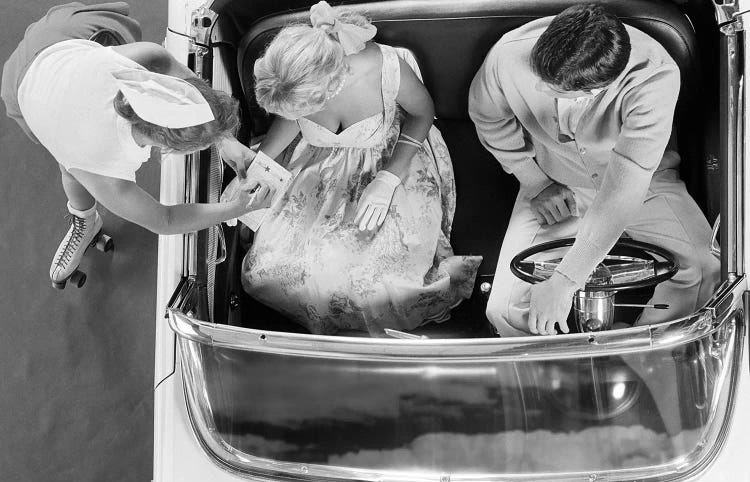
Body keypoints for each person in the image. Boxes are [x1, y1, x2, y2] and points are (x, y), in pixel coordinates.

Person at [468, 3, 719, 336]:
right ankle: (552, 377)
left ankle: (636, 356)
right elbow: (488, 118)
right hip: (555, 182)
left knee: (704, 269)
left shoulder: (656, 76)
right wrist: (535, 181)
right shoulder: (506, 56)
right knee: (502, 309)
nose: (539, 89)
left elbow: (626, 184)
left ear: (594, 90)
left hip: (644, 184)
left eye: (553, 89)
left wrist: (566, 280)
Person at [241, 1, 482, 336]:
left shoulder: (385, 67)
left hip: (389, 162)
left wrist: (387, 178)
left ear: (331, 86)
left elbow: (422, 114)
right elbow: (291, 121)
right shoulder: (298, 79)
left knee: (369, 279)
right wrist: (261, 164)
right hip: (319, 167)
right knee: (284, 269)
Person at [1, 2, 270, 287]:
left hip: (58, 42)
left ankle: (82, 212)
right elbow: (164, 219)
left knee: (73, 161)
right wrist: (237, 209)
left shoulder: (140, 63)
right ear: (173, 149)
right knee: (70, 166)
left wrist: (223, 138)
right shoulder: (107, 171)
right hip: (24, 88)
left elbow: (184, 84)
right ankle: (85, 220)